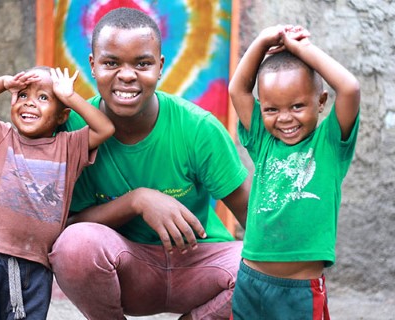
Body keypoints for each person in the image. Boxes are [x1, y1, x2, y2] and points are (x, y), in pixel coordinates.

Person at [48, 7, 250, 320]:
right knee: (74, 247)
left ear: (159, 67)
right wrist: (137, 201)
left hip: (197, 263)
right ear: (93, 65)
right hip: (127, 269)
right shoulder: (74, 129)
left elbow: (254, 222)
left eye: (142, 63)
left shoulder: (197, 128)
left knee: (261, 272)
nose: (126, 75)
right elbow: (66, 230)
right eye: (111, 62)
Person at [0, 66, 114, 319]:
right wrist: (3, 82)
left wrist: (69, 96)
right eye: (22, 95)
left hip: (37, 265)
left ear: (62, 116)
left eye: (43, 98)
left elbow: (105, 128)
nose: (29, 104)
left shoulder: (68, 147)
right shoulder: (1, 137)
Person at [228, 24, 360, 319]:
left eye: (298, 106)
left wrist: (303, 50)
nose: (285, 118)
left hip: (300, 292)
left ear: (321, 102)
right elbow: (237, 89)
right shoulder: (263, 141)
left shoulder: (329, 144)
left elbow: (349, 87)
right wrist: (261, 41)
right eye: (272, 109)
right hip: (250, 282)